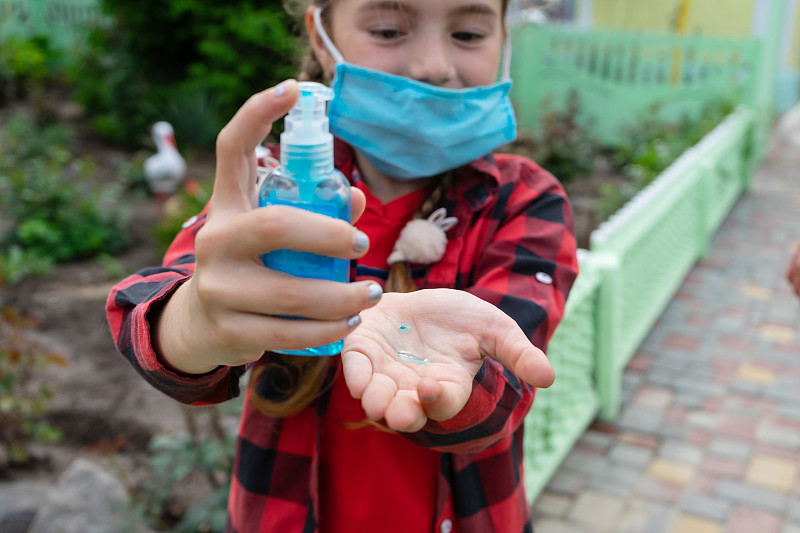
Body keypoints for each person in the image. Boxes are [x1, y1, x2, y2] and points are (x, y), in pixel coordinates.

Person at [106, 0, 579, 531]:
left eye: (468, 33)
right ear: (320, 36)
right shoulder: (264, 185)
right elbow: (156, 304)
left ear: (505, 39)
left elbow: (507, 390)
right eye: (389, 29)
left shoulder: (524, 201)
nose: (433, 65)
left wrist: (467, 382)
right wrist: (195, 319)